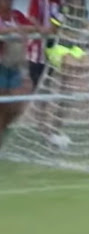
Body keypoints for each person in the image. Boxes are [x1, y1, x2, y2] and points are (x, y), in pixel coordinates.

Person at [0, 0, 39, 148]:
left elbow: (32, 28)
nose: (8, 2)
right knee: (2, 104)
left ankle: (3, 128)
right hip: (1, 65)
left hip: (15, 64)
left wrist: (22, 29)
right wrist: (10, 31)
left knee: (16, 106)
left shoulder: (16, 16)